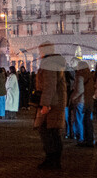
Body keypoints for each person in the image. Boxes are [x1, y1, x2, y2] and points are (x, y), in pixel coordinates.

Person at [34, 42, 67, 170]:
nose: (39, 53)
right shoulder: (53, 63)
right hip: (55, 102)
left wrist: (45, 104)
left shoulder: (49, 64)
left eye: (41, 51)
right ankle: (53, 160)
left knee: (48, 131)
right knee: (52, 132)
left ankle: (52, 160)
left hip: (52, 103)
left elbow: (49, 85)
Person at [72, 61, 91, 146]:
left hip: (80, 100)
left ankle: (81, 138)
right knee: (87, 120)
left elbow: (79, 90)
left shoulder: (80, 76)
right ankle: (89, 138)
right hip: (88, 100)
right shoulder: (90, 76)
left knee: (79, 120)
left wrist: (73, 98)